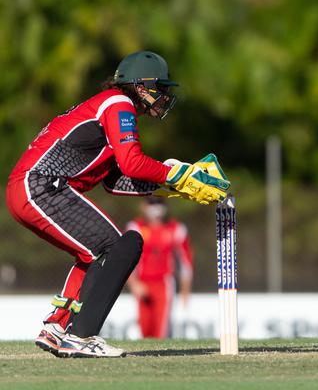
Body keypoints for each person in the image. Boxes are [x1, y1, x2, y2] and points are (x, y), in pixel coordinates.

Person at [5, 51, 230, 358]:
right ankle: (81, 336)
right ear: (140, 87)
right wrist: (176, 174)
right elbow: (133, 162)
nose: (164, 95)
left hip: (31, 188)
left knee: (94, 251)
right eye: (159, 87)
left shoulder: (110, 108)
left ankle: (58, 328)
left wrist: (174, 189)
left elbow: (115, 180)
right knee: (119, 246)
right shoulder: (117, 103)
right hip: (41, 186)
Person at [126, 197, 193, 339]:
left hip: (164, 282)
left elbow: (185, 261)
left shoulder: (176, 229)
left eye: (159, 203)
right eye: (152, 204)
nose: (156, 208)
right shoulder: (135, 227)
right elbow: (126, 259)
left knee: (161, 328)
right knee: (144, 326)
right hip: (142, 281)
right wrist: (134, 283)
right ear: (144, 206)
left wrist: (185, 289)